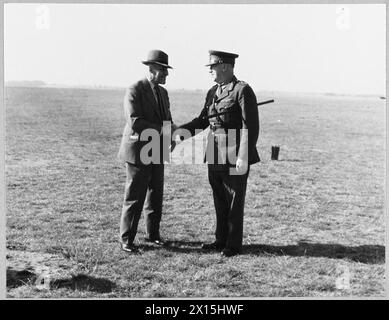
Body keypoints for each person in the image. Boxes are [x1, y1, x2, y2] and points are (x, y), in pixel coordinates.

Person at [177, 50, 260, 257]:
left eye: (212, 67)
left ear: (224, 66)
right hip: (214, 152)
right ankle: (220, 239)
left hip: (234, 152)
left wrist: (244, 156)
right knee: (219, 199)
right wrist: (180, 133)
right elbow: (202, 121)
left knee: (233, 200)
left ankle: (232, 245)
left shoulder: (242, 90)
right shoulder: (213, 91)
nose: (210, 71)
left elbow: (251, 126)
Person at [117, 49, 176, 253]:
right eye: (164, 71)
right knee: (135, 196)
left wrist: (169, 138)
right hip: (138, 150)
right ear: (152, 69)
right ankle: (127, 240)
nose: (167, 75)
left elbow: (166, 118)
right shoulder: (135, 89)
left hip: (157, 149)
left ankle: (153, 235)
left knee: (155, 194)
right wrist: (162, 131)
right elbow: (135, 121)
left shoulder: (163, 93)